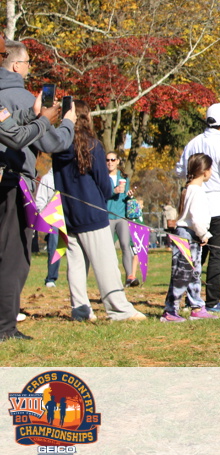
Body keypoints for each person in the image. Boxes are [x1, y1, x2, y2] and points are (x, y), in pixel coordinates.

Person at [0, 39, 74, 340]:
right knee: (14, 255)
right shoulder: (21, 95)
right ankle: (5, 327)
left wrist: (30, 116)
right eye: (28, 63)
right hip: (11, 183)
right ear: (17, 65)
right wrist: (65, 123)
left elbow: (9, 127)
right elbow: (48, 143)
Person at [52, 102, 144, 322]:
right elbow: (103, 182)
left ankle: (81, 310)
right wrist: (109, 193)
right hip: (92, 213)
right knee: (106, 264)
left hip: (68, 212)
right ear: (85, 118)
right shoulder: (92, 145)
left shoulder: (58, 145)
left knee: (76, 264)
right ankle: (119, 310)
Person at [175, 103, 220, 313]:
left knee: (196, 255)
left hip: (195, 203)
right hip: (219, 205)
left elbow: (180, 170)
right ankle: (212, 301)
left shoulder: (193, 143)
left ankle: (192, 299)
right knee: (217, 255)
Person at [162, 153, 218, 322]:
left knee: (194, 273)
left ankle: (197, 307)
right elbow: (196, 218)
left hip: (190, 235)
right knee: (182, 274)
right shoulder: (196, 191)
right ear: (205, 171)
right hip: (188, 235)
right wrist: (204, 234)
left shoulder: (191, 189)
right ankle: (170, 310)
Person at [104, 152, 137, 286]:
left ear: (118, 161)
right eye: (107, 160)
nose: (110, 162)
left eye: (113, 160)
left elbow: (125, 198)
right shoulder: (102, 177)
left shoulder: (124, 178)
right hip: (107, 216)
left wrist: (129, 195)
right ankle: (110, 279)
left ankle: (130, 277)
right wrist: (114, 191)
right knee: (108, 249)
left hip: (121, 216)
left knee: (125, 245)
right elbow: (100, 195)